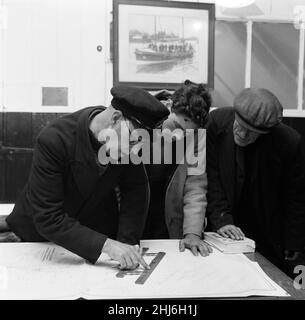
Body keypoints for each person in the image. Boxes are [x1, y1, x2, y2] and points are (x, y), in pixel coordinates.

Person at [2, 85, 169, 270]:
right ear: (115, 119)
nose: (134, 152)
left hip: (91, 235)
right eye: (132, 142)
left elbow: (136, 189)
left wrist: (127, 244)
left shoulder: (127, 141)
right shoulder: (54, 139)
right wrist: (108, 245)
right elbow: (48, 217)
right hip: (40, 236)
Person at [206, 88, 305, 274]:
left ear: (267, 132)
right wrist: (222, 220)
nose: (242, 135)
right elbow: (212, 178)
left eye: (251, 132)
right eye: (240, 126)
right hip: (225, 224)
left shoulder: (289, 142)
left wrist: (294, 242)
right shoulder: (216, 121)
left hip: (267, 227)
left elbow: (296, 197)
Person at [143, 80, 213, 257]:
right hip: (134, 208)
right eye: (178, 127)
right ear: (170, 109)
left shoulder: (196, 135)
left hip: (168, 214)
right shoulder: (139, 118)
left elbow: (195, 186)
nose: (179, 135)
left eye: (187, 132)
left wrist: (193, 233)